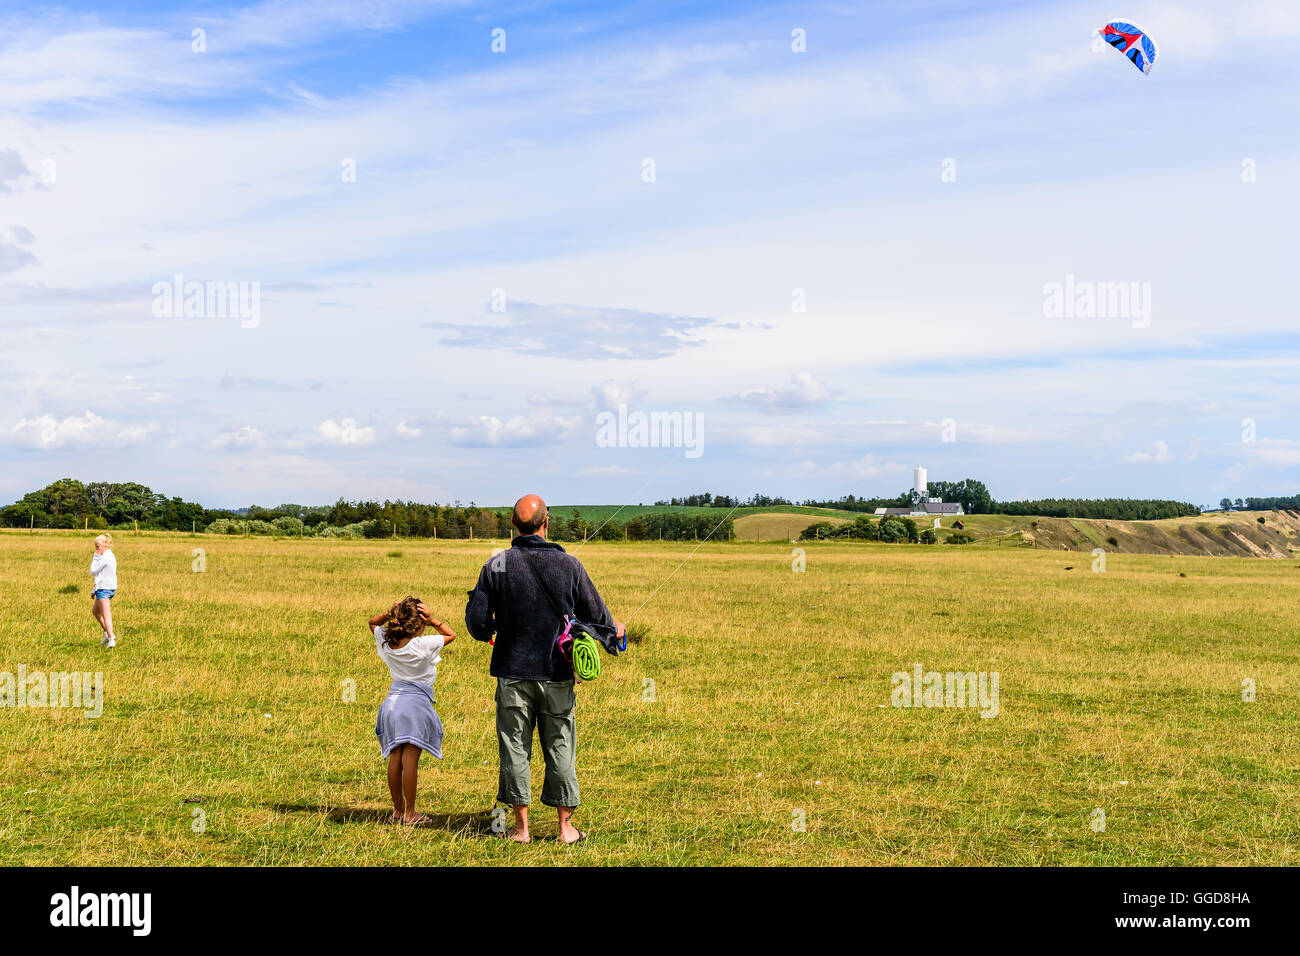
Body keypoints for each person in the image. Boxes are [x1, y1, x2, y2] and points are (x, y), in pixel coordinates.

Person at [465, 493, 624, 844]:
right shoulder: (570, 565)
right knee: (561, 747)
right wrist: (616, 632)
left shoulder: (496, 565)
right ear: (546, 523)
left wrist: (496, 627)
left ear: (512, 524)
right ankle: (565, 829)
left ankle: (520, 830)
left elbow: (476, 625)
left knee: (514, 748)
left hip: (512, 673)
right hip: (557, 674)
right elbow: (598, 616)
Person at [368, 596, 456, 826]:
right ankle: (410, 813)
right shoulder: (422, 644)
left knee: (395, 758)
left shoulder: (386, 641)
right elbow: (451, 635)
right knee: (411, 763)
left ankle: (398, 810)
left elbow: (372, 623)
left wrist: (389, 613)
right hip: (415, 706)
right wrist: (434, 620)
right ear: (419, 624)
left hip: (391, 704)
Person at [89, 533, 118, 649]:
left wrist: (95, 556)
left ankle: (111, 639)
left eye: (97, 547)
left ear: (105, 545)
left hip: (104, 589)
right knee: (95, 611)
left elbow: (93, 571)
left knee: (106, 614)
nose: (96, 549)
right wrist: (94, 589)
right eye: (95, 547)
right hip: (107, 588)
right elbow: (102, 575)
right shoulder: (110, 555)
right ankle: (107, 633)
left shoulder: (105, 557)